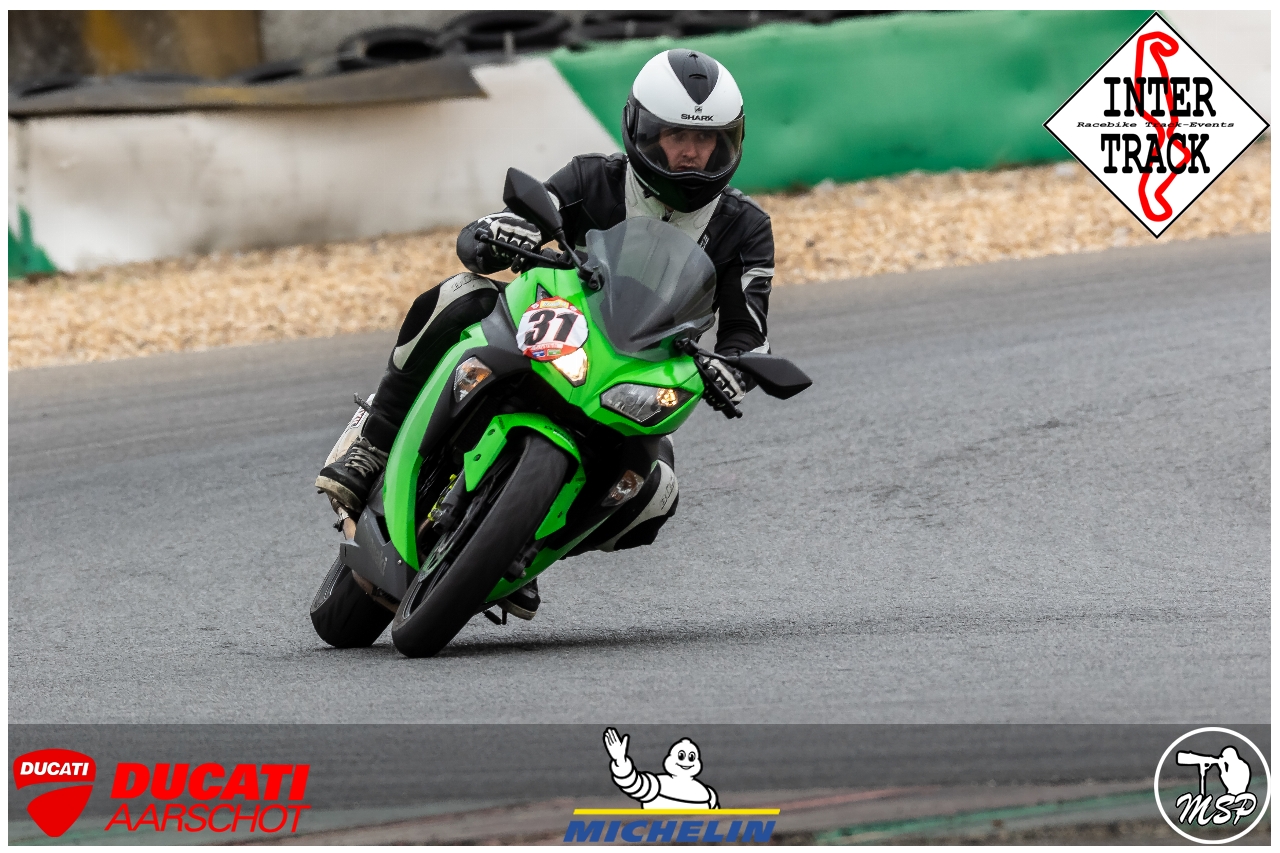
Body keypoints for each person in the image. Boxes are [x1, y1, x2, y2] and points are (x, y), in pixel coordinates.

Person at [317, 49, 774, 618]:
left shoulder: (746, 228)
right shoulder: (594, 178)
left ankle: (524, 547)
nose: (691, 152)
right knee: (461, 294)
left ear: (731, 141)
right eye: (676, 135)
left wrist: (735, 369)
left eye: (707, 139)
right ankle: (374, 442)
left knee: (656, 490)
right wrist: (495, 233)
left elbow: (748, 335)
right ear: (641, 130)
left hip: (640, 370)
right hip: (554, 329)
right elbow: (514, 223)